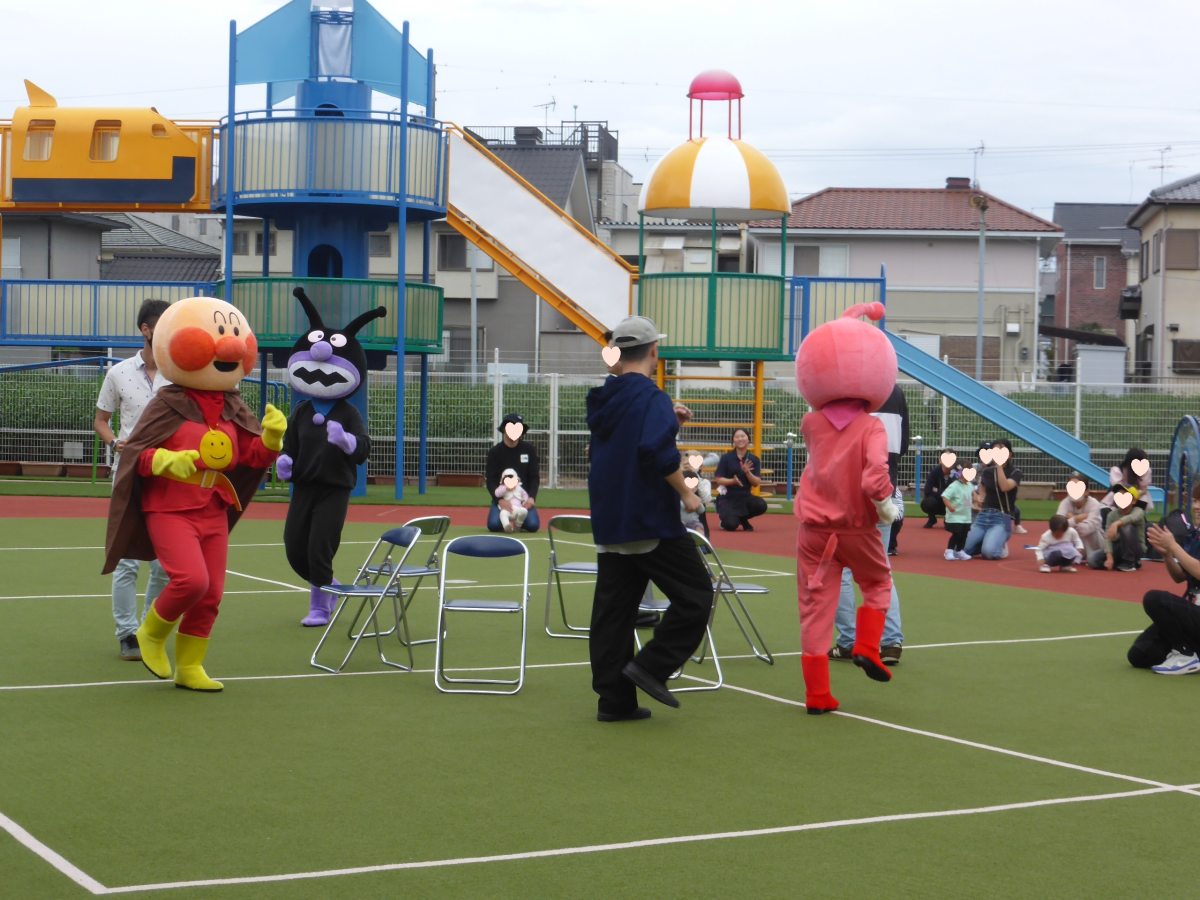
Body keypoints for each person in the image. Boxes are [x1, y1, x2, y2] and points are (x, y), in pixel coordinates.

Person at [104, 296, 284, 693]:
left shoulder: (233, 405)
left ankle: (190, 665)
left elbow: (249, 457)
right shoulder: (166, 403)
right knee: (190, 581)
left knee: (212, 593)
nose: (231, 346)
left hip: (213, 508)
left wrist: (271, 438)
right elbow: (138, 454)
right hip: (169, 508)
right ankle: (150, 632)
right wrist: (167, 461)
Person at [586, 315, 712, 722]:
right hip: (648, 518)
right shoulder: (652, 397)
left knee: (614, 613)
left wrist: (667, 422)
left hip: (611, 517)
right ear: (654, 351)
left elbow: (629, 441)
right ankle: (652, 665)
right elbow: (655, 454)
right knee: (696, 596)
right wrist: (687, 494)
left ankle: (615, 701)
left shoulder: (606, 396)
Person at [796, 302, 898, 715]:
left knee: (814, 606)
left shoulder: (810, 424)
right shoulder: (872, 426)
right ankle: (869, 647)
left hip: (813, 531)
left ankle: (817, 694)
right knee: (877, 583)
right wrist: (887, 506)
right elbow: (874, 480)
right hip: (856, 527)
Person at [275, 289, 383, 627]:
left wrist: (347, 441)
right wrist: (285, 462)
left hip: (334, 489)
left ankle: (320, 606)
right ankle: (331, 588)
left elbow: (364, 448)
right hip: (304, 488)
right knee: (294, 547)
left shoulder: (348, 412)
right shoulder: (302, 411)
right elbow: (290, 445)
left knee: (320, 547)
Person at [93, 298, 171, 662]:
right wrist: (114, 442)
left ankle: (148, 629)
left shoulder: (180, 374)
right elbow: (100, 421)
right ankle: (126, 634)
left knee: (164, 563)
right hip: (127, 475)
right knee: (126, 560)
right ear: (146, 329)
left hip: (169, 476)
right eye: (164, 324)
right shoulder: (118, 372)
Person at [829, 382, 908, 666]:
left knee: (840, 571)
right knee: (881, 571)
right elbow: (903, 443)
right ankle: (890, 641)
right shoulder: (895, 391)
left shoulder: (847, 389)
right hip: (886, 492)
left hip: (849, 496)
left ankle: (849, 641)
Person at [1127, 484, 1200, 674]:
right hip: (1193, 612)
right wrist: (1167, 554)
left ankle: (1186, 655)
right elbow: (1180, 577)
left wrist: (1173, 546)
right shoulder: (1194, 536)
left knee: (1154, 599)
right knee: (1139, 654)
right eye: (1195, 500)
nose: (1197, 506)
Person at [962, 438, 1021, 559]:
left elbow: (1004, 486)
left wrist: (999, 466)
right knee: (964, 549)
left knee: (989, 553)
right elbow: (982, 490)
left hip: (1001, 517)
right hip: (983, 516)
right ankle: (989, 540)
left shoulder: (1015, 472)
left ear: (1009, 455)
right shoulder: (987, 472)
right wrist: (978, 499)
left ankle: (999, 543)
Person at [485, 413, 540, 533]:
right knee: (493, 525)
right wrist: (499, 500)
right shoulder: (495, 452)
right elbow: (490, 481)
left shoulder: (529, 450)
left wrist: (531, 498)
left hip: (522, 499)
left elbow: (534, 477)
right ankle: (507, 520)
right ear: (504, 429)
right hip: (503, 498)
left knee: (533, 525)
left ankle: (519, 520)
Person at [712, 428, 768, 531]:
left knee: (761, 505)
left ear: (748, 439)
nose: (740, 439)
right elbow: (719, 480)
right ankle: (726, 517)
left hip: (745, 496)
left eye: (743, 436)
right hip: (727, 498)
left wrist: (747, 472)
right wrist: (732, 481)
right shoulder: (726, 458)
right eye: (737, 437)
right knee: (730, 525)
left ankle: (742, 519)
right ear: (733, 440)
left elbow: (756, 483)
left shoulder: (754, 459)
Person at [1095, 485, 1147, 571]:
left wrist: (1116, 523)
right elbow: (1107, 537)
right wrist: (1109, 557)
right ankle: (1116, 563)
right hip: (1118, 547)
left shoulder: (1138, 511)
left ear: (1133, 501)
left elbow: (1133, 517)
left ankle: (1130, 562)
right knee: (1093, 559)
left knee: (1127, 527)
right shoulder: (1111, 515)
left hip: (1136, 548)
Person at [1056, 474, 1104, 563]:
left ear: (1086, 492)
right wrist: (1077, 519)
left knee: (1089, 532)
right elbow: (1057, 526)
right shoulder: (1065, 502)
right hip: (1075, 544)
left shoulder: (1094, 504)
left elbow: (1085, 530)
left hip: (1094, 545)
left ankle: (1089, 556)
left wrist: (1070, 519)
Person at [940, 466, 974, 560]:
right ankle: (949, 550)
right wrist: (950, 506)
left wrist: (975, 502)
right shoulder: (954, 486)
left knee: (964, 534)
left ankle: (960, 550)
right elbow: (945, 496)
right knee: (957, 534)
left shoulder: (969, 485)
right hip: (955, 516)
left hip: (966, 516)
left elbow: (969, 496)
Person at [921, 450, 954, 527]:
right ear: (940, 460)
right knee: (928, 502)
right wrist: (944, 494)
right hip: (938, 501)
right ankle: (932, 519)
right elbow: (928, 490)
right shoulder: (934, 472)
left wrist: (937, 490)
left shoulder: (958, 473)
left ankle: (949, 520)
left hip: (952, 503)